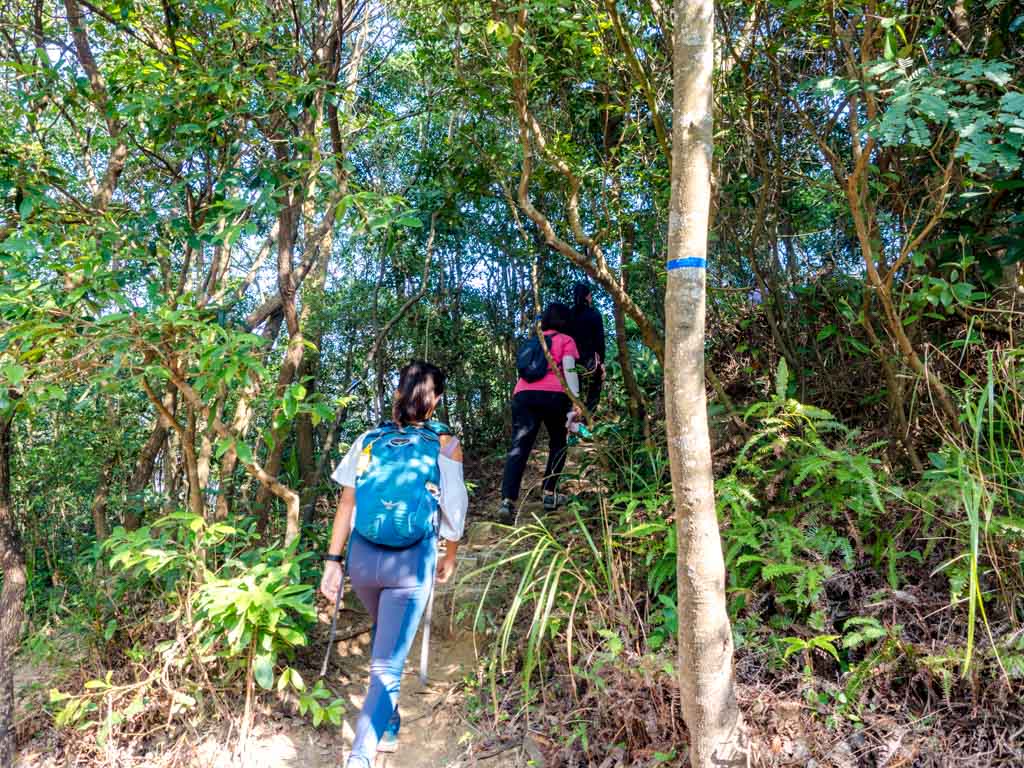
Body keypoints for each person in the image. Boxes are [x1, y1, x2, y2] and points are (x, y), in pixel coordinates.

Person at [320, 361, 469, 768]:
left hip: (363, 561)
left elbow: (347, 503)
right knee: (387, 664)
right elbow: (453, 509)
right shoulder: (445, 444)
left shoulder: (369, 439)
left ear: (398, 392)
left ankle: (387, 714)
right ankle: (361, 755)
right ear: (435, 399)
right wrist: (450, 555)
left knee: (385, 644)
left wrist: (333, 561)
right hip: (411, 561)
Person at [498, 303, 581, 523]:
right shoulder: (566, 340)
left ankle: (507, 501)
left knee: (519, 447)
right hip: (555, 396)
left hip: (524, 396)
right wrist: (576, 401)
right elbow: (570, 370)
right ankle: (549, 494)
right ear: (564, 321)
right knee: (558, 443)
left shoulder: (533, 341)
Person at [568, 281, 606, 413]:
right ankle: (588, 416)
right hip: (590, 360)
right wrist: (602, 362)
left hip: (571, 361)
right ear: (586, 297)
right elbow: (600, 340)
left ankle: (576, 417)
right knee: (596, 385)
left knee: (574, 390)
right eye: (590, 296)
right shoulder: (594, 314)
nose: (591, 299)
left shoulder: (568, 314)